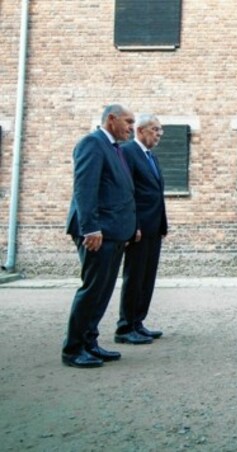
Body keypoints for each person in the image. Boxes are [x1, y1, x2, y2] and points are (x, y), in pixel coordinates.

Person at [63, 104, 136, 368]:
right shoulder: (92, 144)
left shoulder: (115, 149)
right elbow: (85, 189)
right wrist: (90, 228)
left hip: (113, 231)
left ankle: (90, 343)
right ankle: (73, 349)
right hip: (97, 232)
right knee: (93, 289)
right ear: (111, 119)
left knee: (103, 291)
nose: (131, 127)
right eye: (128, 121)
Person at [115, 114, 168, 344]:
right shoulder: (128, 152)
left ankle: (138, 322)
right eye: (155, 130)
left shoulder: (151, 157)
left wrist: (163, 224)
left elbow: (156, 194)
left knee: (147, 277)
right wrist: (133, 225)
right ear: (140, 130)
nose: (158, 134)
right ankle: (125, 327)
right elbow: (127, 192)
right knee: (134, 277)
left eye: (160, 131)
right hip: (138, 229)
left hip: (154, 227)